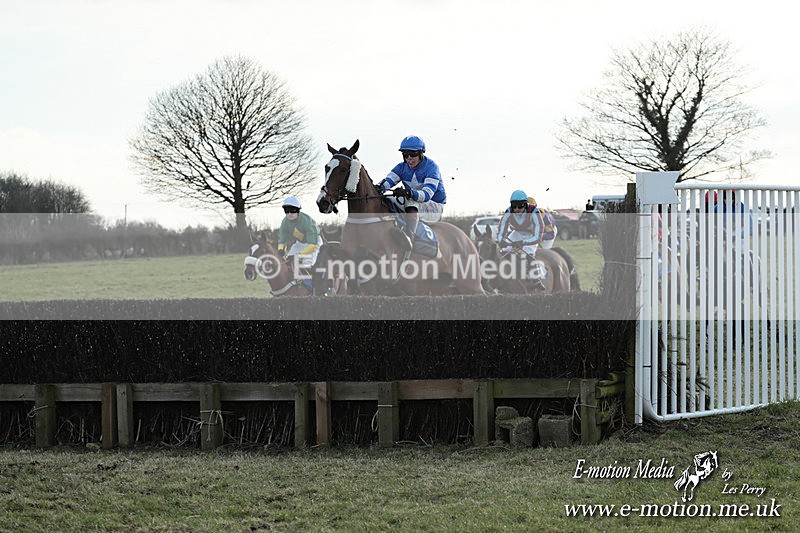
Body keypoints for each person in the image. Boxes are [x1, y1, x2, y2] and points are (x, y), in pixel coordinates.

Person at [379, 135, 446, 250]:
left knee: (410, 201)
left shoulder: (432, 167)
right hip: (416, 204)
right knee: (386, 199)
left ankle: (409, 238)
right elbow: (385, 184)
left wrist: (408, 193)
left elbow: (426, 195)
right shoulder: (401, 167)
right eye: (405, 154)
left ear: (421, 153)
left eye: (413, 154)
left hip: (434, 207)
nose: (409, 158)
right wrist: (375, 188)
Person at [277, 196, 320, 268]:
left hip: (314, 244)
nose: (289, 214)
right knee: (288, 261)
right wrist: (281, 250)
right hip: (300, 243)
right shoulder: (285, 222)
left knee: (307, 264)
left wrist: (298, 255)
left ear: (298, 211)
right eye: (287, 211)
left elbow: (313, 246)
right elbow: (282, 241)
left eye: (292, 210)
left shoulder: (308, 222)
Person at [497, 190, 542, 257]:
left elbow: (537, 236)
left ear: (526, 204)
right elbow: (501, 230)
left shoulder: (534, 211)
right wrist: (501, 240)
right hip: (517, 233)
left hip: (531, 235)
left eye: (520, 205)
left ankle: (535, 266)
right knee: (504, 250)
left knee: (527, 253)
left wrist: (523, 242)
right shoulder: (509, 211)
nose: (517, 209)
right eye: (514, 206)